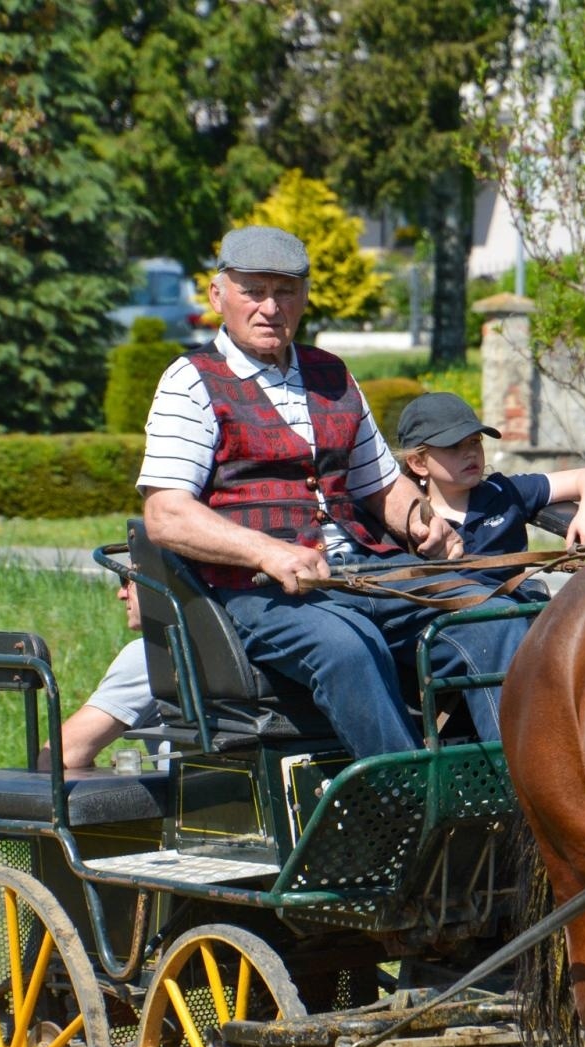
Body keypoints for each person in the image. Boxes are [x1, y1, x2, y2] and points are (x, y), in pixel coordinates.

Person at [137, 225, 532, 759]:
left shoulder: (333, 374)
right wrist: (270, 552)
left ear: (304, 298)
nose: (270, 308)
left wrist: (419, 519)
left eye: (285, 292)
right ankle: (408, 796)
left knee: (494, 619)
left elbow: (381, 484)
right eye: (254, 291)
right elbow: (165, 515)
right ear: (217, 295)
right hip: (262, 591)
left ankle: (515, 786)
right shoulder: (189, 382)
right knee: (348, 647)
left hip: (372, 572)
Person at [396, 391, 585, 564]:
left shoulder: (505, 492)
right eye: (453, 446)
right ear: (418, 463)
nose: (470, 453)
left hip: (512, 601)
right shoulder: (406, 517)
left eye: (475, 441)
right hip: (442, 604)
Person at [38, 569, 160, 771]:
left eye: (128, 580)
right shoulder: (215, 645)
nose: (121, 594)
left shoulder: (152, 654)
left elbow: (56, 760)